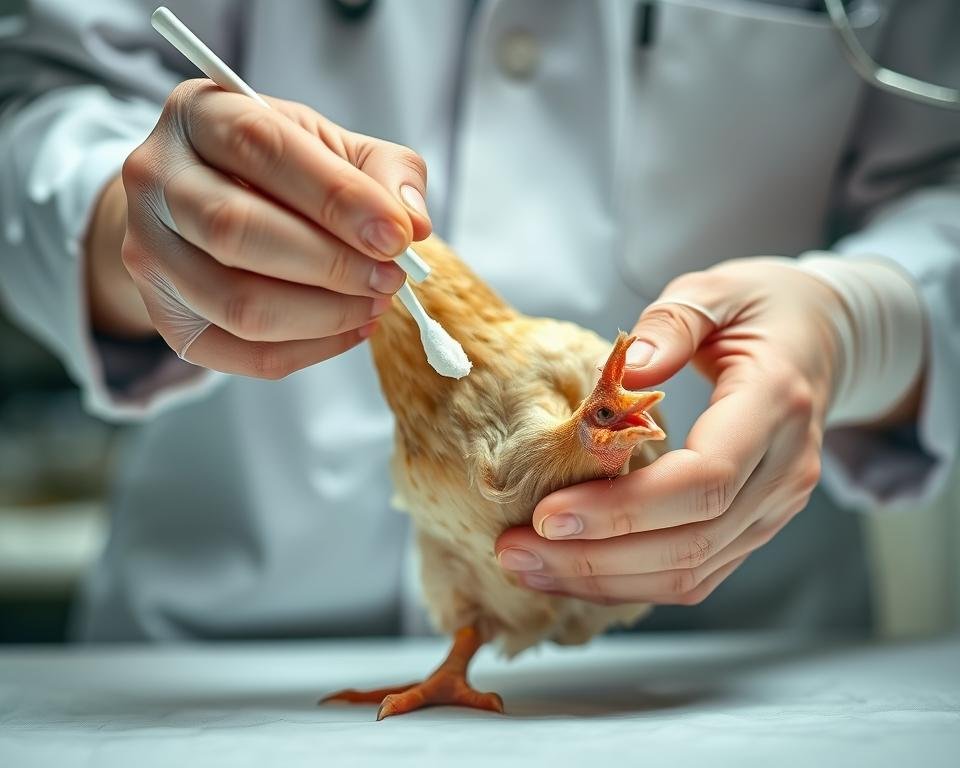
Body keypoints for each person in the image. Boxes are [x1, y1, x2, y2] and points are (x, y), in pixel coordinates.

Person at [1, 0, 957, 641]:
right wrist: (135, 227)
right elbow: (33, 97)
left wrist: (860, 322)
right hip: (209, 657)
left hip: (721, 669)